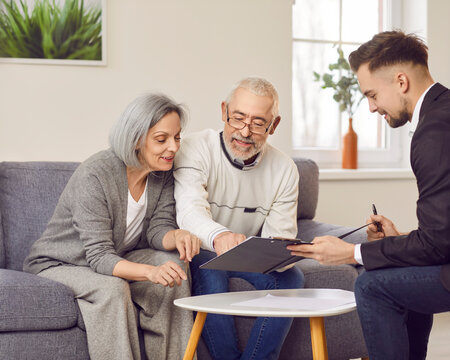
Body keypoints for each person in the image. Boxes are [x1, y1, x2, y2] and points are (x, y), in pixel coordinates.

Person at [288, 30, 450, 360]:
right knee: (394, 274)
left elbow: (436, 246)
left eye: (373, 94)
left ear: (401, 81)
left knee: (372, 287)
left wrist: (351, 252)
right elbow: (447, 234)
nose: (372, 107)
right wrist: (401, 239)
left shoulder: (438, 129)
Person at [24, 93, 201, 360]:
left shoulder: (161, 171)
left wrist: (177, 235)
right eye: (162, 139)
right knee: (113, 289)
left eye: (177, 137)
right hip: (62, 264)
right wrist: (150, 272)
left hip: (116, 257)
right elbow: (99, 256)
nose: (173, 148)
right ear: (136, 139)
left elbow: (157, 228)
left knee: (173, 271)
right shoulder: (95, 174)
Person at [173, 77, 304, 360]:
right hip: (202, 251)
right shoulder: (194, 147)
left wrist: (284, 250)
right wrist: (220, 237)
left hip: (250, 259)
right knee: (212, 269)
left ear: (274, 125)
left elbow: (278, 236)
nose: (245, 131)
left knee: (292, 278)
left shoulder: (285, 169)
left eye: (258, 123)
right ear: (224, 112)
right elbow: (189, 211)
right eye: (238, 118)